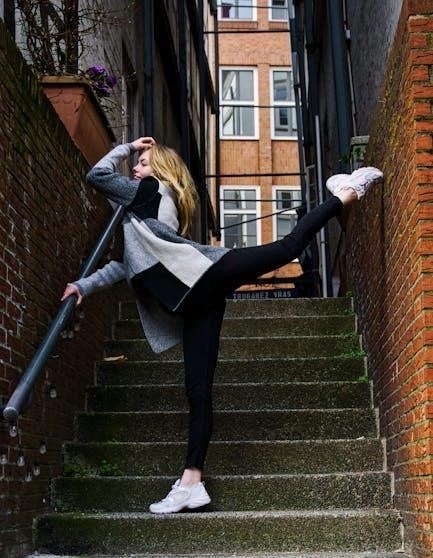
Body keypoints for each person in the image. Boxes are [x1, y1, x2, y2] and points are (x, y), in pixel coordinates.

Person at [61, 137, 383, 514]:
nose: (135, 167)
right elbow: (125, 266)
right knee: (198, 391)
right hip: (197, 300)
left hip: (205, 275)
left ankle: (346, 192)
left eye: (144, 162)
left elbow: (97, 175)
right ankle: (191, 483)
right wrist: (84, 286)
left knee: (287, 249)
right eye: (138, 161)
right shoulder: (145, 209)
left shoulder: (147, 191)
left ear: (160, 171)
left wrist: (128, 145)